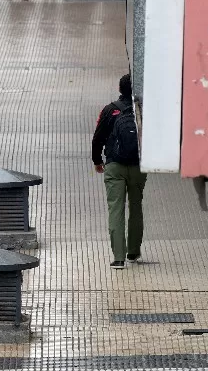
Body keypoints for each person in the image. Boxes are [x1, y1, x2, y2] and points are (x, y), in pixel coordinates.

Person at [91, 74, 147, 270]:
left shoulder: (110, 109)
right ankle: (133, 252)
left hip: (114, 165)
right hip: (139, 165)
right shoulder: (143, 109)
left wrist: (97, 160)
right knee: (136, 207)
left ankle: (118, 258)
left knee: (116, 208)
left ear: (119, 88)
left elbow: (98, 138)